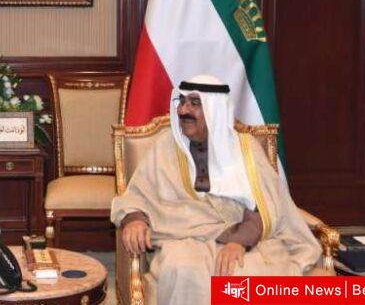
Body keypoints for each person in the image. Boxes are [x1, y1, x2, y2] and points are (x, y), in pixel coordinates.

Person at [111, 74, 321, 305]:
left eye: (194, 103)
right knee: (183, 269)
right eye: (182, 102)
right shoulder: (165, 147)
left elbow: (266, 205)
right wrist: (135, 219)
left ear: (215, 110)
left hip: (241, 233)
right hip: (184, 238)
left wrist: (238, 242)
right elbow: (137, 194)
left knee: (242, 274)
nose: (183, 110)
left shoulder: (246, 149)